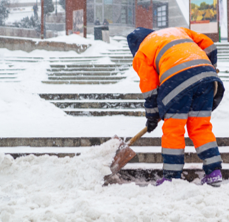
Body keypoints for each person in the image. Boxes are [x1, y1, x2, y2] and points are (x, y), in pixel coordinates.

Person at [127, 27, 225, 187]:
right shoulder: (177, 31)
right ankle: (214, 172)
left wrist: (152, 116)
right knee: (201, 127)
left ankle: (172, 178)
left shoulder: (142, 52)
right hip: (207, 79)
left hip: (176, 82)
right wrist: (211, 66)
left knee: (174, 130)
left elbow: (150, 89)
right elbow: (209, 45)